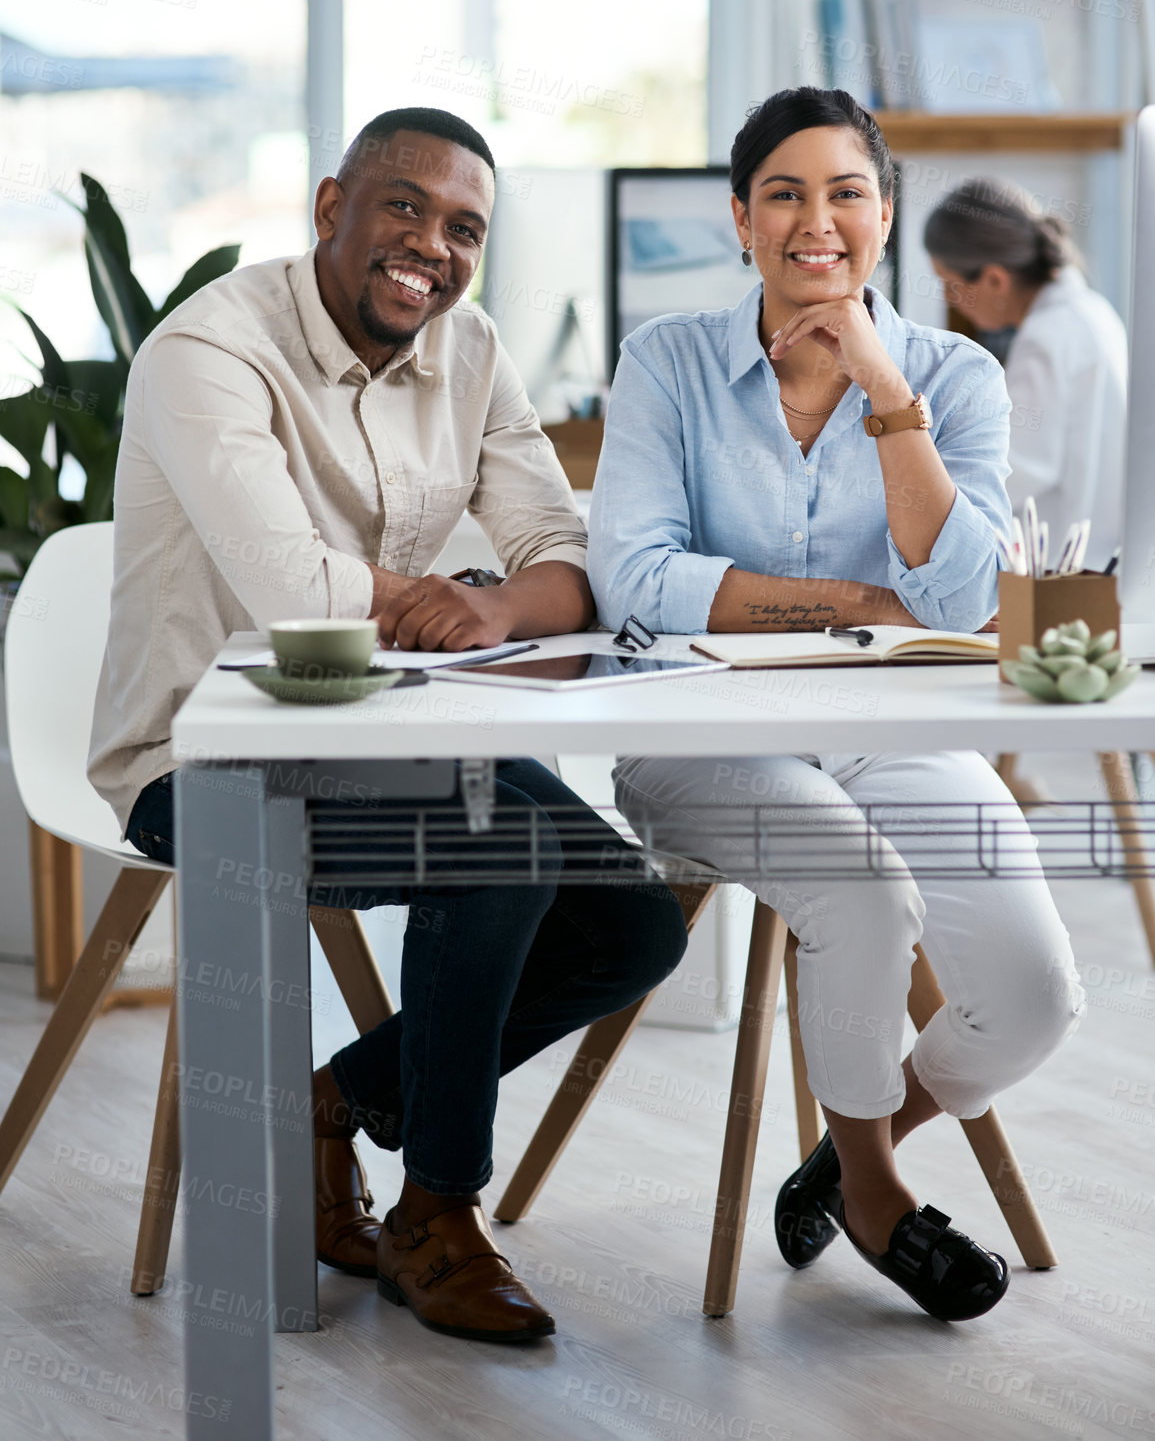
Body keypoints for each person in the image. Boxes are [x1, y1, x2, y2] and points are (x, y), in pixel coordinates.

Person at [88, 106, 687, 1345]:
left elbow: (567, 564)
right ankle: (436, 1214)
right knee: (500, 861)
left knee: (633, 921)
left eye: (464, 227)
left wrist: (493, 603)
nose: (431, 246)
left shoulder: (471, 351)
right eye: (403, 207)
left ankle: (335, 1100)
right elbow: (294, 591)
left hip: (391, 727)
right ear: (329, 209)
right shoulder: (209, 352)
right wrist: (470, 603)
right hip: (204, 756)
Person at [588, 87, 1085, 1323]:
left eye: (847, 192)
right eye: (786, 194)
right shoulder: (667, 361)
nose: (819, 223)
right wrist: (852, 600)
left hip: (889, 735)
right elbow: (636, 582)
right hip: (697, 738)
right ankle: (874, 1194)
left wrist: (882, 387)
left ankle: (848, 1141)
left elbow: (966, 599)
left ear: (885, 213)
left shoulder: (954, 374)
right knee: (859, 893)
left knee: (1033, 992)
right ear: (741, 222)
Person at [925, 177, 1128, 573]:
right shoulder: (1090, 310)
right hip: (1101, 560)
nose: (949, 301)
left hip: (1064, 573)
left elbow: (1011, 470)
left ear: (995, 279)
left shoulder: (1047, 339)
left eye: (949, 286)